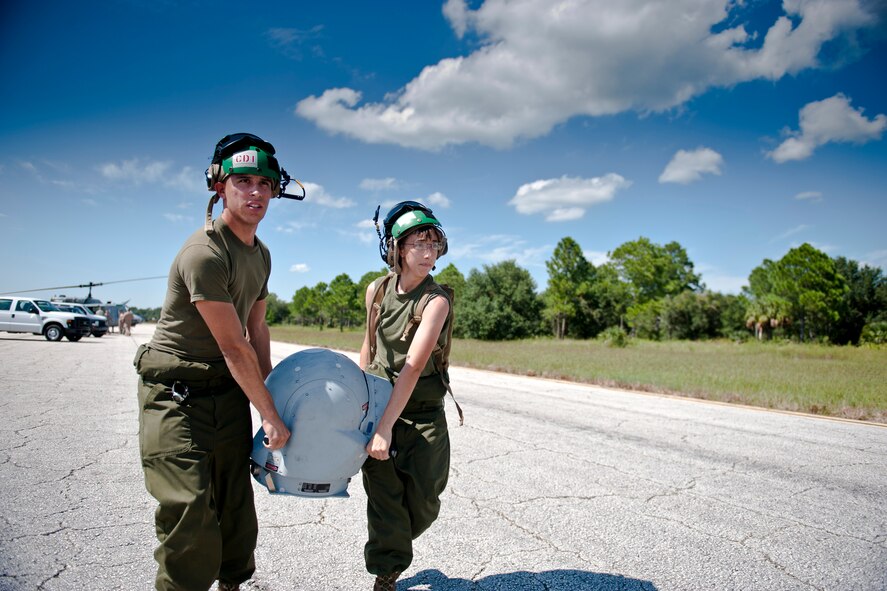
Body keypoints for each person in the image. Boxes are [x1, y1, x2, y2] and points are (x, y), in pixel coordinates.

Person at [133, 133, 297, 591]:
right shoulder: (204, 253)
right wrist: (269, 413)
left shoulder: (261, 255)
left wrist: (279, 401)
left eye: (265, 183)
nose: (256, 192)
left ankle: (230, 584)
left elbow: (258, 331)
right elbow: (233, 345)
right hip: (175, 393)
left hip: (226, 389)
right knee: (188, 512)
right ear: (219, 186)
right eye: (243, 181)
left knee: (234, 506)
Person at [359, 201, 454, 591]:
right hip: (380, 404)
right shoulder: (376, 291)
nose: (428, 253)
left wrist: (386, 428)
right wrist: (363, 411)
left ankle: (394, 542)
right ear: (396, 248)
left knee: (425, 502)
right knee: (384, 500)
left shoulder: (436, 301)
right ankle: (387, 571)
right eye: (419, 244)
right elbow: (367, 347)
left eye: (434, 244)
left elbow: (414, 366)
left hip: (422, 414)